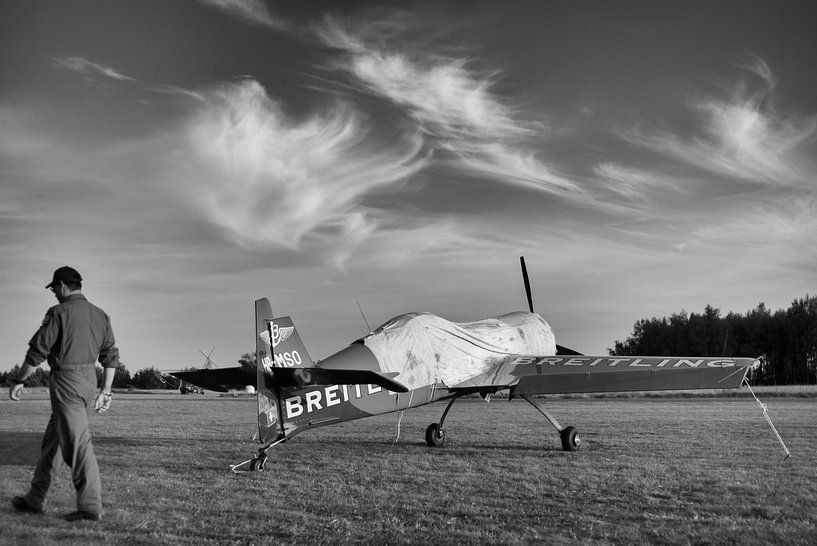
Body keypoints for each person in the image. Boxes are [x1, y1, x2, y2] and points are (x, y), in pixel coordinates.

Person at [9, 266, 121, 522]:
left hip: (66, 382)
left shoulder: (59, 312)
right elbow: (110, 356)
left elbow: (37, 352)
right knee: (54, 442)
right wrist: (106, 390)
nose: (54, 294)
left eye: (54, 290)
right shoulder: (101, 315)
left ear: (61, 286)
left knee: (78, 445)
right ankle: (34, 499)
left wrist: (19, 380)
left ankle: (90, 507)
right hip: (88, 382)